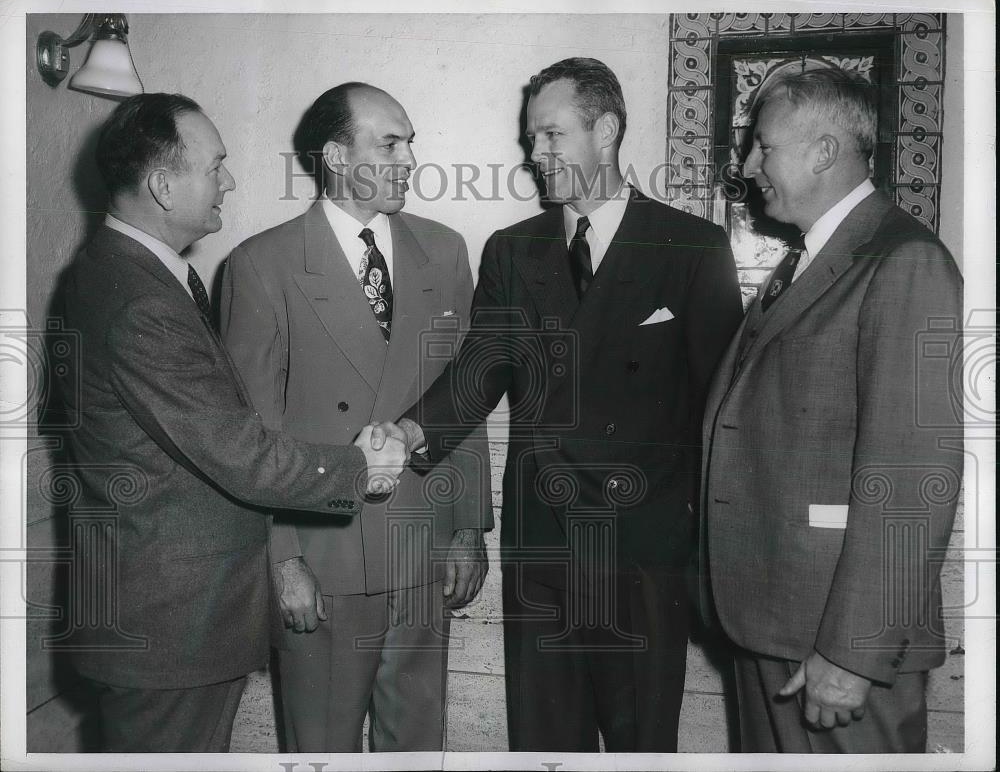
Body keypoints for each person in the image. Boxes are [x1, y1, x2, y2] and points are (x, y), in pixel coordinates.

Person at [374, 57, 744, 751]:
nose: (535, 155)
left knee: (640, 746)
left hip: (643, 551)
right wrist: (408, 433)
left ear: (604, 131)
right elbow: (480, 370)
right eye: (530, 139)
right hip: (543, 545)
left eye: (550, 136)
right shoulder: (514, 250)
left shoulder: (692, 248)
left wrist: (707, 549)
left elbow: (724, 410)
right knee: (546, 745)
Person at [57, 92, 407, 753]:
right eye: (215, 165)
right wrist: (364, 467)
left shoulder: (123, 273)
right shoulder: (140, 301)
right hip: (169, 629)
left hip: (165, 618)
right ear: (163, 185)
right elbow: (236, 451)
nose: (230, 181)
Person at [220, 83, 492, 752]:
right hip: (325, 556)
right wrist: (283, 562)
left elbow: (463, 398)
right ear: (338, 155)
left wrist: (468, 529)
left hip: (423, 551)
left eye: (410, 143)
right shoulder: (262, 264)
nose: (409, 160)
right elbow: (250, 434)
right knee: (322, 747)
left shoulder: (445, 250)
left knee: (417, 746)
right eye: (390, 143)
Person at [699, 66, 963, 753]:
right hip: (772, 620)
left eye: (763, 146)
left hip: (836, 646)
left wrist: (852, 655)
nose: (750, 165)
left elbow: (911, 480)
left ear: (823, 150)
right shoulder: (807, 260)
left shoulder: (904, 260)